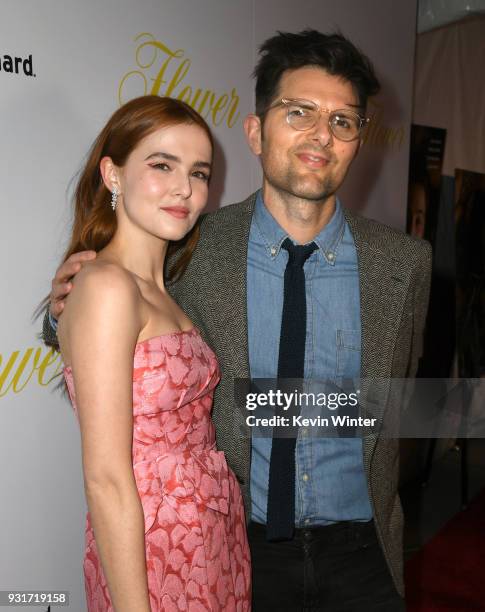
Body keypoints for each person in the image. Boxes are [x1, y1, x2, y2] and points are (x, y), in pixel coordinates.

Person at [44, 31, 431, 611]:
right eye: (299, 111)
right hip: (242, 549)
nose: (321, 135)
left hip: (364, 555)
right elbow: (117, 331)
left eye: (343, 121)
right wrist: (59, 312)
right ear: (254, 131)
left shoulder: (402, 264)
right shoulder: (190, 247)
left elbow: (397, 400)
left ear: (358, 142)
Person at [49, 95, 251, 611]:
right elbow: (107, 479)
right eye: (162, 165)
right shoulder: (106, 286)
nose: (185, 188)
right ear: (112, 175)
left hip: (211, 540)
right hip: (153, 553)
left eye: (199, 172)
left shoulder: (162, 290)